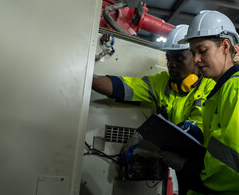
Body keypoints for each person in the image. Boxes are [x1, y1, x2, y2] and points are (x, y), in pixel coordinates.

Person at [164, 11, 239, 195]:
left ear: (225, 46)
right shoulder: (221, 92)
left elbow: (238, 168)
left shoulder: (237, 90)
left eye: (202, 50)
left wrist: (187, 167)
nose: (196, 59)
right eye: (193, 52)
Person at [92, 24, 216, 194]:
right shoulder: (162, 83)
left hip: (209, 167)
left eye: (179, 58)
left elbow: (197, 132)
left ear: (195, 58)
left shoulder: (211, 87)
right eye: (168, 59)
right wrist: (86, 76)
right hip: (181, 165)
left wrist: (149, 133)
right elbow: (122, 87)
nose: (171, 65)